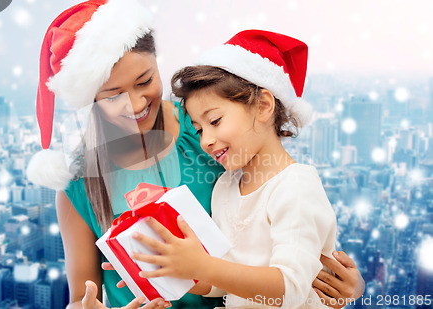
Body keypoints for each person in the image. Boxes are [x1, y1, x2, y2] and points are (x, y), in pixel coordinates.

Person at [26, 0, 364, 307]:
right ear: (91, 98)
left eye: (145, 81)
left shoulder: (206, 124)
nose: (136, 104)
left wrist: (347, 285)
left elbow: (285, 223)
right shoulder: (80, 181)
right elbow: (82, 296)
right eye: (112, 96)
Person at [129, 30, 365, 309]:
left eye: (215, 121)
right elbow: (222, 282)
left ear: (264, 106)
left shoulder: (295, 187)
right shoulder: (225, 187)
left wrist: (203, 266)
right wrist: (175, 266)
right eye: (199, 129)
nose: (206, 140)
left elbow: (290, 291)